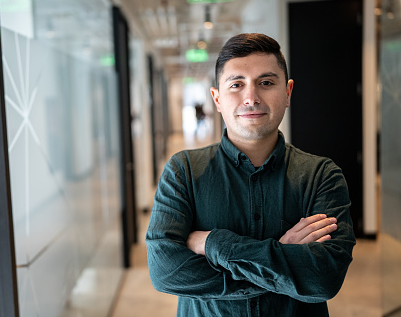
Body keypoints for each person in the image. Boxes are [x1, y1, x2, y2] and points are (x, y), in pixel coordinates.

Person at [145, 33, 355, 316]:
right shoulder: (183, 171)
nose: (251, 98)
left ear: (288, 92)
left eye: (266, 83)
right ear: (217, 98)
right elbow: (166, 272)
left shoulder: (321, 176)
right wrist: (282, 261)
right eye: (236, 85)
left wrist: (211, 243)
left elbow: (322, 279)